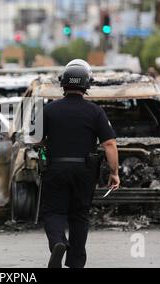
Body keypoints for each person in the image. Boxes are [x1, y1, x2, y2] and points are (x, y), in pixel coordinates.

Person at [40, 59, 120, 268]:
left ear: (63, 84)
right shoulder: (95, 111)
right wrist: (114, 172)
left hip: (55, 168)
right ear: (87, 85)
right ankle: (75, 262)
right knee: (79, 215)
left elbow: (35, 140)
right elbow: (110, 144)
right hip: (85, 171)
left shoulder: (50, 110)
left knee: (53, 212)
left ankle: (58, 242)